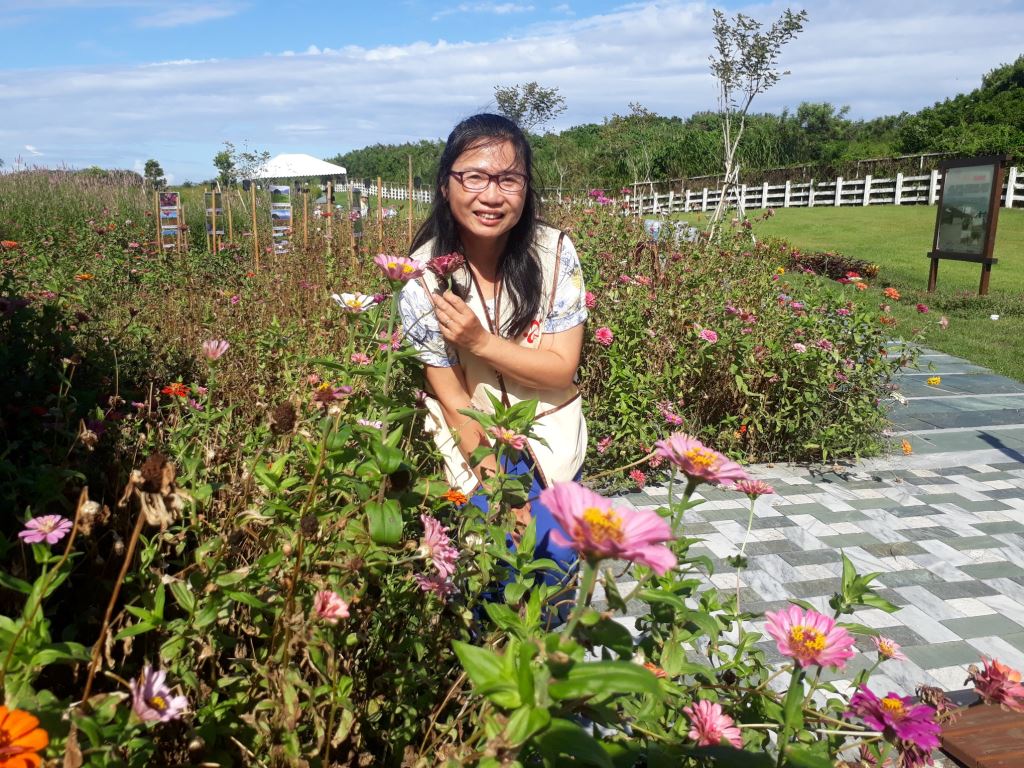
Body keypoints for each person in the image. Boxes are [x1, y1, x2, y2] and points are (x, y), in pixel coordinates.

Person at [398, 113, 588, 601]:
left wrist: (479, 342)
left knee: (559, 577)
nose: (491, 195)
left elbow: (561, 368)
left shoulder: (554, 252)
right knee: (494, 583)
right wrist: (502, 488)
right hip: (478, 448)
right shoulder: (423, 277)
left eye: (509, 179)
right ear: (446, 185)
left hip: (552, 442)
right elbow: (451, 395)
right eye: (474, 177)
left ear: (525, 187)